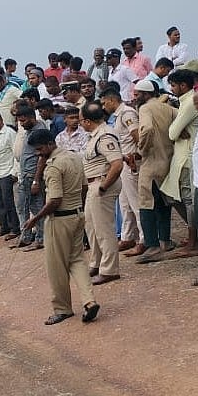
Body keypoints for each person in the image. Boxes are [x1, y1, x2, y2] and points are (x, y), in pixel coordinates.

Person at [23, 129, 100, 326]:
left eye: (40, 149)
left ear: (49, 144)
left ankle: (62, 308)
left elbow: (55, 200)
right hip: (76, 214)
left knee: (56, 267)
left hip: (59, 219)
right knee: (77, 260)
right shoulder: (73, 157)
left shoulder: (54, 167)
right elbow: (83, 187)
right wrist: (78, 208)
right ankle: (89, 301)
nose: (39, 154)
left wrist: (36, 218)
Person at [79, 103, 123, 285]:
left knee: (104, 228)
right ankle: (96, 262)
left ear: (88, 121)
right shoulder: (95, 135)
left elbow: (117, 164)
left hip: (102, 182)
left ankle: (110, 269)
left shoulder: (105, 136)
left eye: (81, 120)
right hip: (94, 184)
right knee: (91, 225)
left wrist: (104, 186)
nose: (80, 123)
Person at [134, 79, 176, 263]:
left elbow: (148, 129)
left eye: (137, 94)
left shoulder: (145, 109)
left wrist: (140, 150)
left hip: (150, 163)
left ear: (146, 94)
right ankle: (165, 241)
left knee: (146, 205)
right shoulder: (169, 108)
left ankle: (152, 246)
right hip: (167, 162)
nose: (135, 97)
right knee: (163, 204)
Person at [100, 89, 143, 255]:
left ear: (112, 100)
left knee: (136, 202)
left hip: (131, 161)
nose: (104, 106)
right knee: (125, 204)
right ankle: (127, 236)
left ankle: (144, 239)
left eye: (105, 102)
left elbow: (137, 136)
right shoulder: (117, 116)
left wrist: (137, 155)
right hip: (122, 161)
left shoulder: (127, 113)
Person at [160, 70, 198, 256]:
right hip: (182, 155)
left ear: (183, 85)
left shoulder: (191, 101)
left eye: (173, 86)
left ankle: (193, 240)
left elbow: (172, 133)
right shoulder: (184, 101)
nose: (172, 89)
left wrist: (176, 129)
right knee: (171, 195)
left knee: (189, 200)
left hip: (187, 157)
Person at [14, 105, 48, 251]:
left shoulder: (39, 131)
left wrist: (36, 180)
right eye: (19, 121)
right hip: (25, 174)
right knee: (22, 205)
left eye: (23, 121)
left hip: (33, 175)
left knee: (37, 207)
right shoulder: (29, 130)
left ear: (32, 118)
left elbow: (42, 157)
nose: (21, 124)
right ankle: (27, 236)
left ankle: (41, 238)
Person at [0, 111, 21, 239]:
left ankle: (15, 228)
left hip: (6, 173)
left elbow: (16, 154)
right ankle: (4, 227)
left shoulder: (9, 133)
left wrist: (14, 172)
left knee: (8, 202)